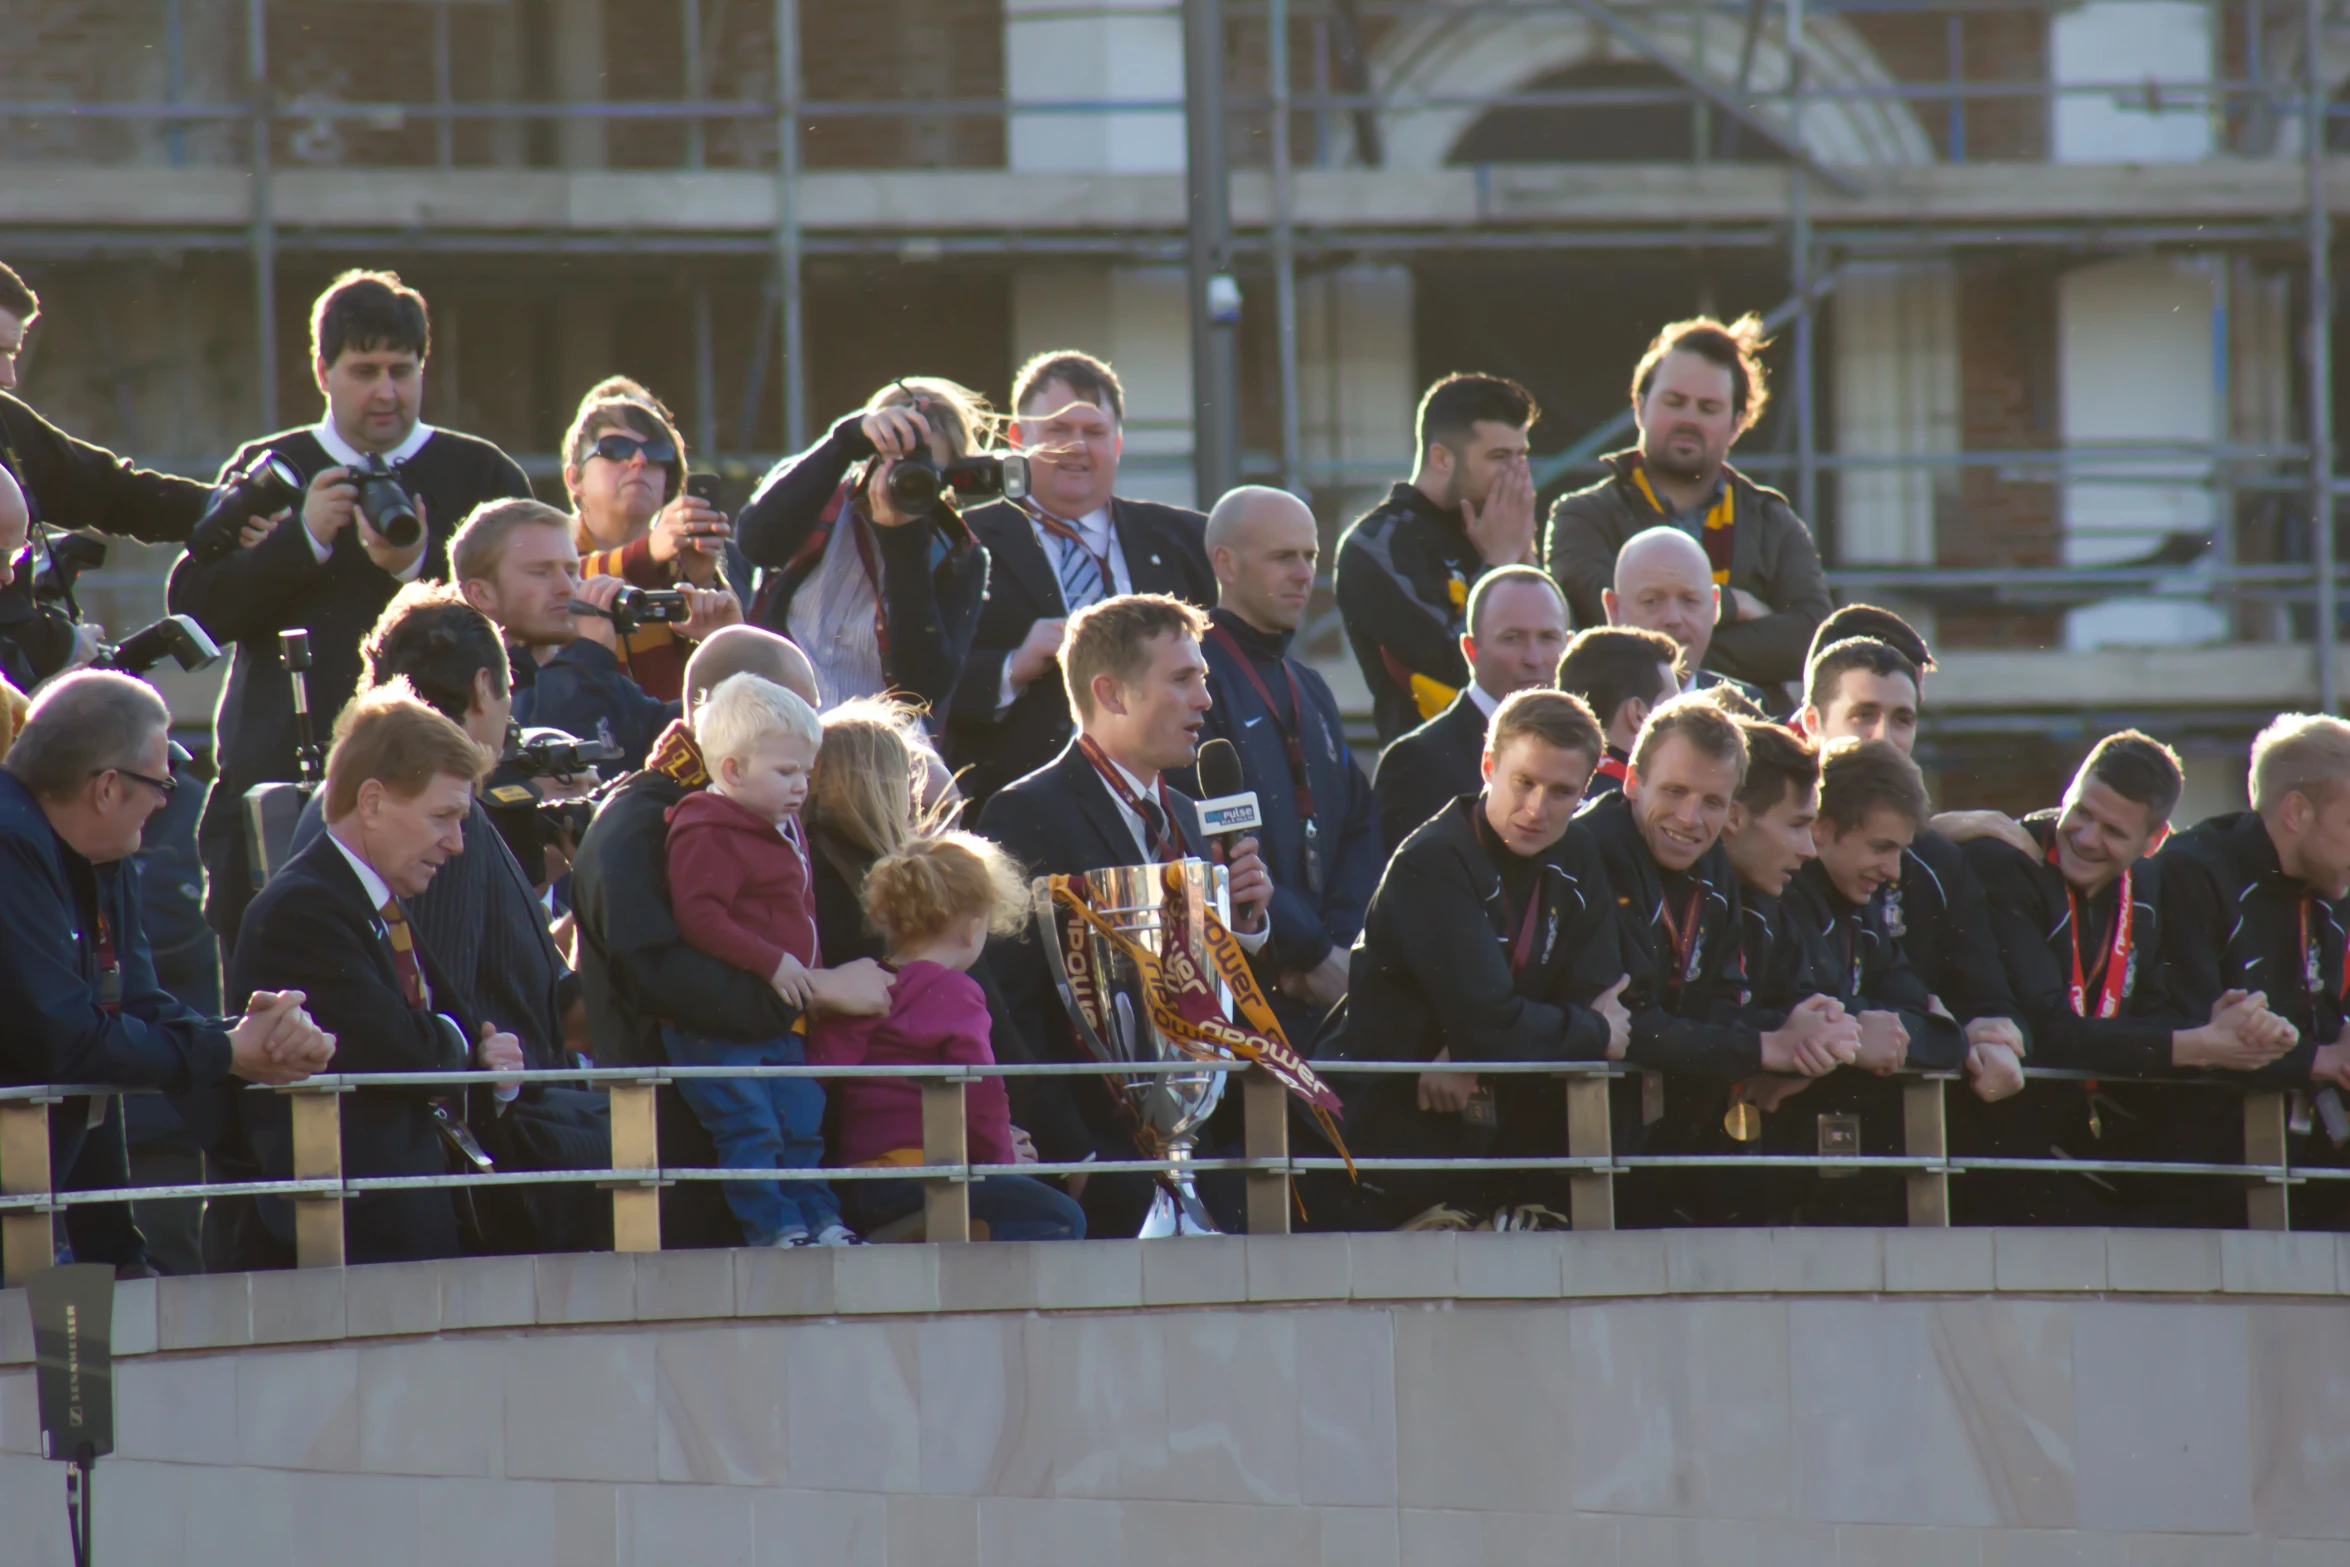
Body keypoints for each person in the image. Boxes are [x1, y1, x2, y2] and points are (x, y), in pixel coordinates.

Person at [169, 270, 534, 953]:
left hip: (442, 805)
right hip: (278, 783)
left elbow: (531, 620)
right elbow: (194, 613)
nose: (386, 391)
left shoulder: (480, 474)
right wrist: (299, 540)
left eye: (402, 369)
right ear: (322, 370)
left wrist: (417, 570)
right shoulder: (271, 467)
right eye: (364, 370)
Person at [280, 582, 610, 1251]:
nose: (451, 836)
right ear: (485, 685)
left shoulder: (399, 803)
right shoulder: (437, 820)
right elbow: (443, 999)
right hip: (500, 1148)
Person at [568, 625, 894, 1248]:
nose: (803, 728)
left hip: (762, 1122)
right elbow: (662, 979)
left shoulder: (759, 812)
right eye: (784, 708)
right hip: (677, 1160)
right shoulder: (639, 824)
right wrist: (814, 990)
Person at [0, 672, 332, 1272]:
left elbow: (135, 1006)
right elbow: (66, 1041)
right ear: (106, 788)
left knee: (83, 1350)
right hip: (18, 1203)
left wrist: (247, 1041)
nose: (165, 801)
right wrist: (226, 1053)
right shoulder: (10, 842)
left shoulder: (102, 853)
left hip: (56, 1196)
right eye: (160, 784)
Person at [976, 593, 1276, 1239]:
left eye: (1203, 678)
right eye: (1181, 679)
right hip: (1100, 1167)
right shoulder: (1026, 812)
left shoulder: (1193, 819)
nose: (1204, 700)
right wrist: (1073, 1152)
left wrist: (1243, 930)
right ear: (1110, 692)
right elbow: (1008, 1001)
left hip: (1202, 1160)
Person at [229, 685, 525, 1265]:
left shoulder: (373, 899)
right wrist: (464, 1047)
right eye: (442, 816)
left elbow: (442, 1041)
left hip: (399, 1232)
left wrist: (481, 1063)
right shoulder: (304, 910)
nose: (458, 843)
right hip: (341, 1249)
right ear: (371, 802)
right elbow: (401, 1051)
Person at [1314, 689, 1628, 1230]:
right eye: (1524, 782)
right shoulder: (1432, 859)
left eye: (1561, 792)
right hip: (1377, 1156)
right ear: (1488, 764)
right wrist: (1587, 1033)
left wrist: (1477, 1045)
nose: (1537, 809)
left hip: (1491, 1152)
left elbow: (1596, 988)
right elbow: (1497, 1025)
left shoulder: (1576, 849)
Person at [1957, 731, 2296, 1225]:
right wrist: (2200, 1043)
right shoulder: (2011, 864)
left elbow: (2153, 1010)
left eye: (2113, 831)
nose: (2086, 837)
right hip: (2005, 1147)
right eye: (2081, 812)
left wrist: (2214, 1027)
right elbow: (2049, 1030)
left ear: (2153, 842)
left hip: (2092, 1142)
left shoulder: (2151, 885)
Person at [1575, 696, 1863, 1222]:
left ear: (1732, 811)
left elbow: (1719, 1002)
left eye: (1711, 801)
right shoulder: (1592, 850)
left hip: (1650, 1145)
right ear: (1633, 781)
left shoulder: (1711, 862)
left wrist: (1806, 1034)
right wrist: (1768, 1046)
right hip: (1570, 1147)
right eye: (1674, 791)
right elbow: (1633, 1023)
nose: (1690, 818)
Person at [948, 351, 1213, 811]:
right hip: (1022, 813)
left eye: (1094, 432)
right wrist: (1010, 666)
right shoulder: (959, 539)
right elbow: (919, 682)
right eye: (1058, 430)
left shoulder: (1187, 541)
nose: (1077, 446)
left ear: (1118, 443)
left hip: (1168, 812)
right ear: (1017, 439)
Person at [811, 832, 1089, 1242]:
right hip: (926, 1181)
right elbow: (982, 1094)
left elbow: (821, 1066)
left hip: (859, 1185)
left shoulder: (863, 984)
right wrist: (1003, 1160)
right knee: (1063, 1218)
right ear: (973, 926)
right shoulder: (956, 991)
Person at [1181, 486, 1382, 1040]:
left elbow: (1358, 827)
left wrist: (1340, 949)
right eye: (1282, 557)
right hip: (1237, 996)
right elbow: (1206, 832)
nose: (1303, 573)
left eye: (1311, 556)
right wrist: (1311, 951)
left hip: (1320, 993)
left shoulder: (1309, 686)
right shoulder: (1193, 681)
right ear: (1225, 562)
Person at [663, 671, 855, 1247]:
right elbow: (700, 917)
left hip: (780, 1017)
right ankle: (774, 1228)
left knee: (801, 1123)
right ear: (732, 771)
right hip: (722, 1023)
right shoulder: (705, 830)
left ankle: (821, 1223)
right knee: (750, 1126)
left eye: (805, 771)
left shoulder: (783, 825)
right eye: (786, 772)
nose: (801, 785)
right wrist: (774, 963)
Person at [1797, 630, 2030, 1102]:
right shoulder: (1773, 854)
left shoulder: (1937, 861)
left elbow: (1992, 1002)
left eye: (1902, 719)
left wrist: (1994, 1034)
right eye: (1863, 715)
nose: (1884, 736)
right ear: (1811, 722)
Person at [1545, 314, 1829, 698]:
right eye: (1675, 402)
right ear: (1639, 406)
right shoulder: (1582, 517)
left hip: (1749, 740)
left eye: (1708, 408)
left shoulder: (1773, 522)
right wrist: (1730, 606)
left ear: (1736, 424)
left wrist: (1664, 647)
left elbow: (1811, 641)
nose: (1689, 419)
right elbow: (1604, 630)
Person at [1747, 737, 1969, 1223]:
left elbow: (1945, 1038)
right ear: (1822, 831)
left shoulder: (1862, 913)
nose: (1892, 872)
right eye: (1881, 848)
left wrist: (1845, 1040)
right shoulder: (1777, 899)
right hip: (1761, 1185)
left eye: (1901, 853)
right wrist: (1854, 1037)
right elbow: (1781, 1016)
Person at [2155, 713, 2350, 1226]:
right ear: (2296, 812)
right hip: (2202, 1184)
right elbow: (2191, 1029)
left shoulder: (2334, 881)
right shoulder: (2193, 869)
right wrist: (2319, 1058)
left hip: (2317, 1161)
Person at [0, 261, 216, 690]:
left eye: (12, 355)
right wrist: (60, 645)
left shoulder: (6, 423)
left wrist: (219, 507)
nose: (8, 377)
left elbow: (107, 491)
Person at [735, 377, 990, 716]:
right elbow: (756, 546)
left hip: (878, 743)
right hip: (781, 717)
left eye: (924, 474)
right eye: (894, 462)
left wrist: (903, 542)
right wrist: (844, 441)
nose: (906, 480)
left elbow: (924, 688)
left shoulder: (958, 554)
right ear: (868, 451)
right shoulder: (818, 488)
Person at [1336, 373, 1540, 743]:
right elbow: (1458, 663)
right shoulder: (1377, 545)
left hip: (1532, 758)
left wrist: (1526, 559)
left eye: (1521, 456)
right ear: (1441, 458)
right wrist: (1503, 567)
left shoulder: (1503, 528)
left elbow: (1553, 659)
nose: (1517, 473)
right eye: (1499, 457)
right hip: (1436, 776)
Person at [451, 497, 680, 772]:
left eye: (572, 571)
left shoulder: (593, 671)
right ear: (482, 594)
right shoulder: (464, 687)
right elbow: (550, 745)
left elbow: (698, 735)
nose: (566, 588)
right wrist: (589, 655)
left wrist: (722, 645)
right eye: (541, 572)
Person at [561, 377, 750, 703]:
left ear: (667, 483)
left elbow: (735, 693)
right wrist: (648, 553)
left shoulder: (679, 567)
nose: (639, 461)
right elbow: (566, 583)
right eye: (616, 448)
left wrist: (703, 579)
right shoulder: (546, 546)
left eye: (656, 453)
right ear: (575, 479)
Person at [1372, 565, 1567, 852]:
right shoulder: (1418, 761)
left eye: (1548, 638)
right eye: (1512, 638)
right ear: (1471, 651)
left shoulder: (1586, 752)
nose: (1534, 658)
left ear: (1570, 646)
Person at [1594, 526, 1770, 710]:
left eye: (1690, 600)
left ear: (1715, 606)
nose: (1673, 618)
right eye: (1651, 601)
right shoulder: (1589, 712)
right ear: (1613, 609)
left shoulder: (1744, 708)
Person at [1552, 625, 1681, 799]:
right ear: (1638, 715)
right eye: (1674, 709)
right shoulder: (1638, 808)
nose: (1683, 722)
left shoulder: (1544, 791)